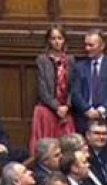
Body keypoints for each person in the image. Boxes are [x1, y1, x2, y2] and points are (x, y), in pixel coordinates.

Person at [29, 25, 76, 155]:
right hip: (48, 108)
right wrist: (56, 107)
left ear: (64, 40)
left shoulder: (70, 60)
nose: (56, 42)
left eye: (59, 38)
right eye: (53, 38)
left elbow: (74, 86)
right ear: (49, 41)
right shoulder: (42, 60)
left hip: (66, 110)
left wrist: (67, 105)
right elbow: (42, 88)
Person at [71, 30, 107, 136]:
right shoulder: (79, 67)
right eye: (86, 45)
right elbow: (75, 93)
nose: (87, 48)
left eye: (91, 45)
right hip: (85, 120)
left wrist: (101, 111)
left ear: (102, 46)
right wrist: (87, 110)